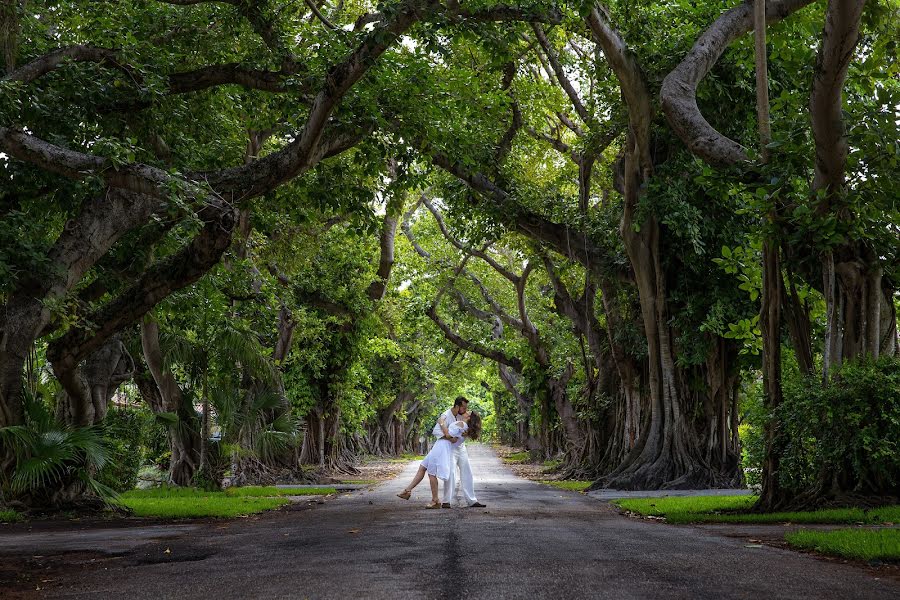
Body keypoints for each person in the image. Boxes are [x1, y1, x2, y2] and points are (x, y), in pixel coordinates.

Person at [396, 411, 482, 508]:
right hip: (439, 445)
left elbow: (450, 436)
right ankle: (407, 490)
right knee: (423, 467)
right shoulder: (465, 427)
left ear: (469, 417)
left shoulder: (462, 424)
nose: (465, 411)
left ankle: (435, 500)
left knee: (431, 472)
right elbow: (453, 438)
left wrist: (441, 422)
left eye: (468, 412)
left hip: (441, 446)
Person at [434, 396, 485, 508]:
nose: (466, 410)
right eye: (464, 408)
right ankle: (446, 501)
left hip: (461, 448)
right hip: (451, 448)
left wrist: (466, 432)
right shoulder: (447, 415)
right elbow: (438, 429)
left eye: (467, 409)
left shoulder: (464, 419)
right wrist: (450, 437)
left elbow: (468, 428)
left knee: (467, 471)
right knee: (451, 472)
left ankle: (472, 500)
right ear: (458, 407)